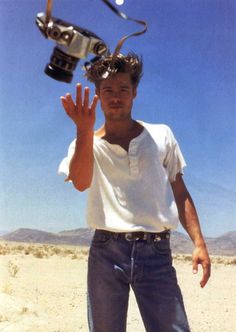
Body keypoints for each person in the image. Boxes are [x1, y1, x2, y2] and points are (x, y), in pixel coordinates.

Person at [59, 52, 211, 332]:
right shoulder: (85, 142)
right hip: (106, 252)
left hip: (156, 251)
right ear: (98, 95)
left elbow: (179, 189)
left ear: (135, 92)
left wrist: (199, 242)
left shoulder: (162, 135)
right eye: (108, 90)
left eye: (123, 89)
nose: (115, 96)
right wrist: (83, 129)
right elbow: (80, 182)